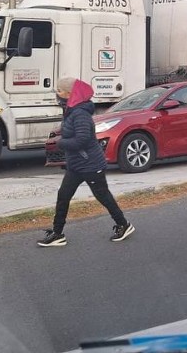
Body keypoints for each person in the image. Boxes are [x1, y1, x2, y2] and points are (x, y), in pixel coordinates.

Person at [37, 77, 135, 247]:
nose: (57, 94)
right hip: (76, 165)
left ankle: (123, 225)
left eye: (59, 91)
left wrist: (60, 143)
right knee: (63, 196)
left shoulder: (80, 113)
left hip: (90, 164)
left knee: (103, 196)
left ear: (69, 94)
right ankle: (57, 233)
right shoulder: (71, 110)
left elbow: (81, 140)